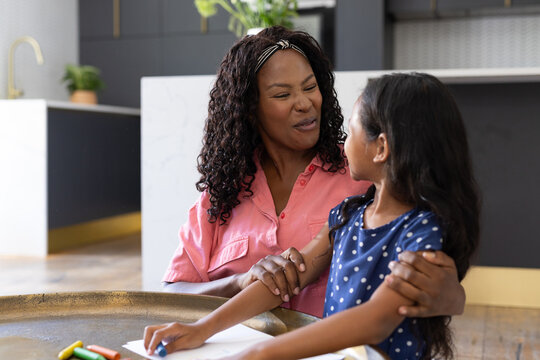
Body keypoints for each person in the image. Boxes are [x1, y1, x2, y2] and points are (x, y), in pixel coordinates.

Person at [144, 72, 481, 359]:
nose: (343, 142)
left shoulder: (420, 230)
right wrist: (203, 329)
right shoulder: (348, 216)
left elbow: (377, 319)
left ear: (381, 148)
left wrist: (262, 354)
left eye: (352, 130)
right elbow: (284, 281)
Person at [162, 25, 465, 319]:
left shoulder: (365, 176)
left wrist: (451, 297)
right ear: (249, 110)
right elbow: (169, 295)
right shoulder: (222, 192)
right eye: (282, 95)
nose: (305, 104)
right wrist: (238, 282)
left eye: (310, 87)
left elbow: (439, 282)